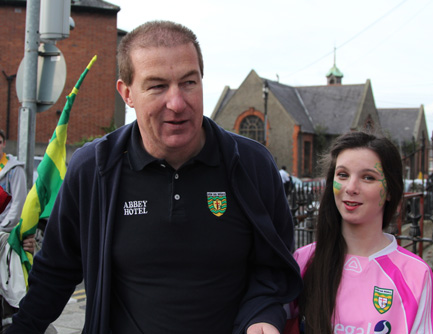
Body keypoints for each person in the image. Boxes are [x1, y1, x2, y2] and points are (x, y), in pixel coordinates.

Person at [7, 20, 302, 334]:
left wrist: (263, 314)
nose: (177, 103)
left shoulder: (253, 165)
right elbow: (55, 273)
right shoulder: (94, 169)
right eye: (157, 86)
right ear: (127, 93)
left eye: (189, 83)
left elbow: (274, 268)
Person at [286, 131, 433, 333]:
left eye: (368, 177)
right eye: (343, 175)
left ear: (391, 191)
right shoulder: (303, 261)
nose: (351, 187)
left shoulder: (415, 275)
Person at [0, 130, 35, 331]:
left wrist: (3, 231)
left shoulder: (14, 170)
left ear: (4, 144)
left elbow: (18, 206)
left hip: (7, 237)